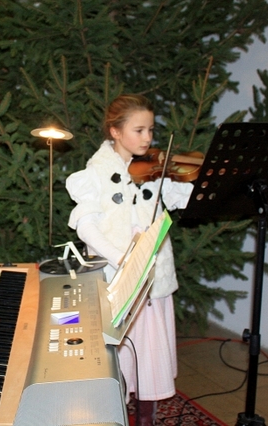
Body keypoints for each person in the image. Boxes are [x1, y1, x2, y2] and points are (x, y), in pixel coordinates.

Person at [65, 94, 193, 426]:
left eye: (151, 130)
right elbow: (86, 226)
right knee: (118, 360)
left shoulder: (155, 170)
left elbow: (186, 198)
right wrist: (121, 258)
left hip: (153, 281)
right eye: (139, 130)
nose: (148, 138)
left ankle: (146, 418)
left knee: (150, 359)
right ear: (115, 131)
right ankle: (115, 416)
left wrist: (203, 178)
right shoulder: (95, 173)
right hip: (117, 280)